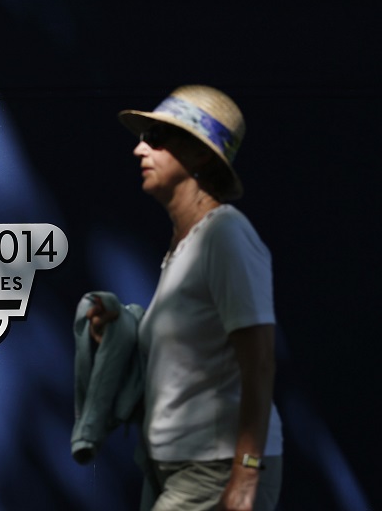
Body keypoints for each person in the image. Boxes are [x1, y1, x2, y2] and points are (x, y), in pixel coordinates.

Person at [85, 85, 283, 511]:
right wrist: (115, 332)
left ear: (198, 156)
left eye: (156, 140)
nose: (140, 150)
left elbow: (260, 359)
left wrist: (246, 474)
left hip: (215, 468)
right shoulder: (183, 249)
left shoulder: (225, 236)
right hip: (171, 466)